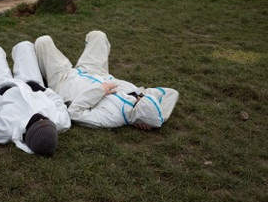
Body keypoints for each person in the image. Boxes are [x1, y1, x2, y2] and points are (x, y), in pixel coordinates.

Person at [34, 31, 179, 130]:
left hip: (65, 81)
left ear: (137, 112)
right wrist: (159, 118)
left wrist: (99, 91)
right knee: (98, 35)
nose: (139, 96)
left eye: (140, 99)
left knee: (43, 41)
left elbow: (74, 113)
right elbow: (171, 93)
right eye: (142, 96)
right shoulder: (140, 97)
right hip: (95, 71)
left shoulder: (112, 118)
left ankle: (43, 71)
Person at [0, 41, 71, 156]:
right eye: (45, 120)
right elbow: (59, 103)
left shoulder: (5, 130)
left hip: (1, 86)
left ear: (28, 134)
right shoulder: (60, 122)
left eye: (38, 123)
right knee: (24, 46)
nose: (41, 119)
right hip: (33, 85)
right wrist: (44, 90)